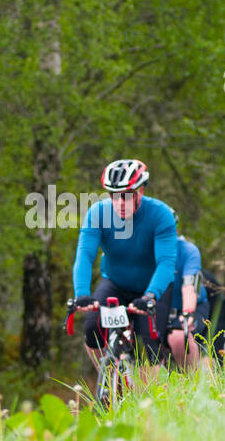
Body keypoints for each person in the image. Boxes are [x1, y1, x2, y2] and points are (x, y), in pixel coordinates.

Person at [72, 158, 178, 370]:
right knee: (92, 329)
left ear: (141, 192)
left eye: (127, 196)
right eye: (114, 196)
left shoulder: (161, 215)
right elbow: (84, 255)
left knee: (150, 344)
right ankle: (108, 380)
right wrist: (82, 293)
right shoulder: (98, 214)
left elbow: (166, 262)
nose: (120, 203)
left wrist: (150, 295)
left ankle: (151, 399)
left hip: (152, 288)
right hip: (116, 284)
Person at [167, 234, 209, 370]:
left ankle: (193, 380)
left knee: (179, 337)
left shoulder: (188, 250)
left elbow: (189, 285)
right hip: (160, 308)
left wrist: (188, 313)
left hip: (193, 305)